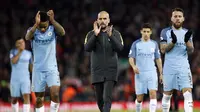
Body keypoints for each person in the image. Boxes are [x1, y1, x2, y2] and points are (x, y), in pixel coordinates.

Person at [25, 10, 65, 112]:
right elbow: (27, 37)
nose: (43, 29)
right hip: (38, 70)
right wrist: (36, 25)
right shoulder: (32, 30)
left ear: (48, 23)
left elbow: (62, 32)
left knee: (55, 94)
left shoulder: (53, 29)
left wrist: (53, 20)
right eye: (40, 26)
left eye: (45, 26)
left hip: (52, 68)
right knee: (39, 99)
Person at [84, 11, 124, 112]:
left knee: (107, 98)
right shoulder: (91, 34)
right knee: (100, 101)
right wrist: (95, 35)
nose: (102, 21)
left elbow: (120, 48)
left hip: (111, 71)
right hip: (97, 71)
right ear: (97, 20)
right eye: (100, 19)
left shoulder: (116, 33)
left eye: (105, 19)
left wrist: (111, 36)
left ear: (109, 20)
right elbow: (87, 48)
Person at [160, 8, 194, 112]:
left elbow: (191, 49)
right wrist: (173, 42)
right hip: (169, 68)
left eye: (179, 16)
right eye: (175, 16)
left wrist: (186, 40)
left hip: (183, 67)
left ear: (183, 19)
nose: (177, 18)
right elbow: (163, 50)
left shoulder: (187, 32)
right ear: (171, 18)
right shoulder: (165, 32)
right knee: (167, 95)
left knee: (188, 94)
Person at [128, 23, 163, 112]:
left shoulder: (154, 44)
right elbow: (131, 58)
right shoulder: (136, 44)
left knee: (153, 93)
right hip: (140, 73)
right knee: (139, 99)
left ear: (151, 32)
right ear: (141, 32)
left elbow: (158, 59)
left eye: (148, 32)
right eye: (144, 31)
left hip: (151, 72)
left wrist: (161, 73)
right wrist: (133, 66)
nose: (146, 33)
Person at [10, 37, 32, 112]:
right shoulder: (12, 52)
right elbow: (13, 61)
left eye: (23, 42)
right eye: (20, 43)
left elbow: (31, 67)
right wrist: (19, 52)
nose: (22, 44)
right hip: (15, 79)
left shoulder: (29, 54)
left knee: (26, 96)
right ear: (16, 45)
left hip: (25, 79)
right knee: (14, 98)